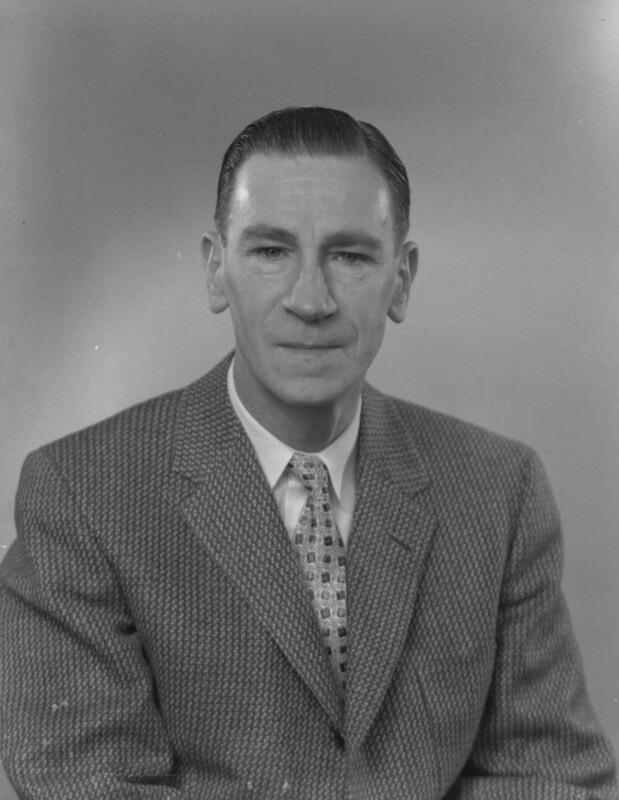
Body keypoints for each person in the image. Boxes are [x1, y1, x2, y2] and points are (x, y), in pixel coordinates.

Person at [0, 106, 616, 799]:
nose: (311, 300)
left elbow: (552, 779)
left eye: (350, 256)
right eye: (271, 251)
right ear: (216, 270)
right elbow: (87, 785)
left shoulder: (499, 489)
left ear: (401, 279)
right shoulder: (81, 495)